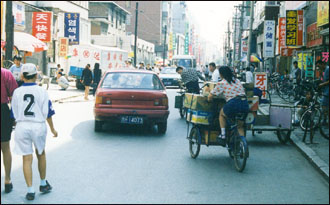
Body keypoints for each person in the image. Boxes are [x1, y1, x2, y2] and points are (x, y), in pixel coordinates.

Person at [11, 63, 58, 200]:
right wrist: (53, 129)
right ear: (36, 75)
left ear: (22, 76)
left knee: (26, 158)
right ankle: (43, 183)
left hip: (22, 126)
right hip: (38, 126)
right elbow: (48, 113)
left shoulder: (17, 92)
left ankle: (30, 190)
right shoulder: (42, 91)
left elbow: (13, 114)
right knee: (41, 153)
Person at [207, 66, 249, 145]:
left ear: (221, 74)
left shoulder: (222, 83)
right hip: (244, 103)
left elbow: (210, 96)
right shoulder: (237, 81)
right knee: (240, 126)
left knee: (222, 114)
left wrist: (209, 99)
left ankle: (223, 135)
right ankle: (243, 144)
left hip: (233, 104)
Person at [1, 61, 18, 194]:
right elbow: (14, 97)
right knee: (5, 147)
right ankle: (7, 180)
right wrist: (14, 117)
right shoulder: (6, 74)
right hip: (3, 112)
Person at [316, 60, 329, 124]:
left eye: (319, 66)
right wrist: (320, 73)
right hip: (326, 89)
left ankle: (324, 119)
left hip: (328, 90)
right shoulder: (324, 70)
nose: (318, 67)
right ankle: (325, 119)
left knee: (324, 104)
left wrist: (322, 84)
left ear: (322, 64)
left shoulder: (328, 69)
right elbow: (323, 79)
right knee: (325, 104)